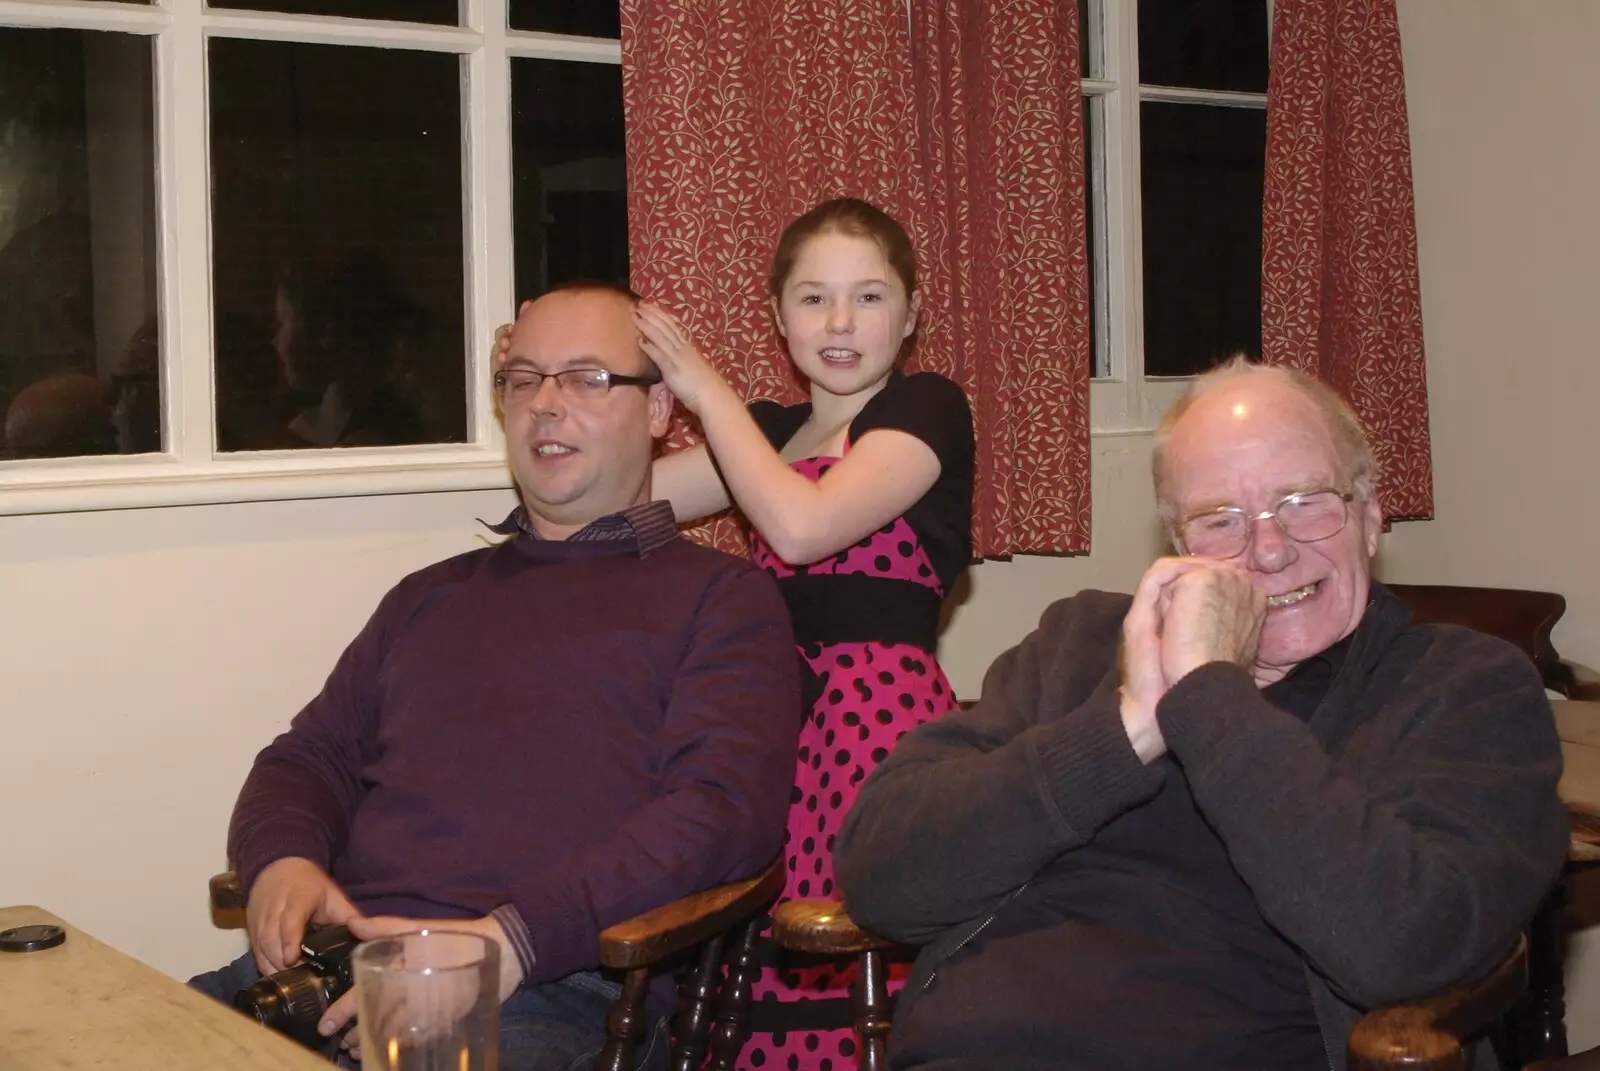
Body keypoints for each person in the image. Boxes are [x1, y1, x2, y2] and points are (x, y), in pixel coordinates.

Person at [834, 357, 1569, 1070]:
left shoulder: (1461, 687)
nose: (1270, 549)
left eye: (1304, 500)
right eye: (1221, 520)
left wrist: (1207, 694)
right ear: (1181, 545)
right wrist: (1129, 727)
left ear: (1371, 516)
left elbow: (1404, 945)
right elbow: (881, 870)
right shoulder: (1080, 642)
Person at [192, 282, 803, 1071]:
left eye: (587, 378)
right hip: (343, 971)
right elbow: (306, 759)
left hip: (554, 989)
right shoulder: (431, 596)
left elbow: (722, 815)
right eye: (524, 379)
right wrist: (282, 861)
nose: (545, 405)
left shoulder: (721, 599)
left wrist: (514, 938)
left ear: (658, 414)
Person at [495, 197, 975, 1070]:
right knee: (752, 980)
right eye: (812, 297)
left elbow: (801, 526)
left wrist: (704, 389)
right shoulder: (772, 432)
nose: (839, 322)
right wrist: (560, 383)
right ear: (779, 315)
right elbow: (619, 513)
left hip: (876, 729)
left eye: (869, 298)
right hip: (770, 722)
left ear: (910, 316)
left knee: (856, 963)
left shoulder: (928, 407)